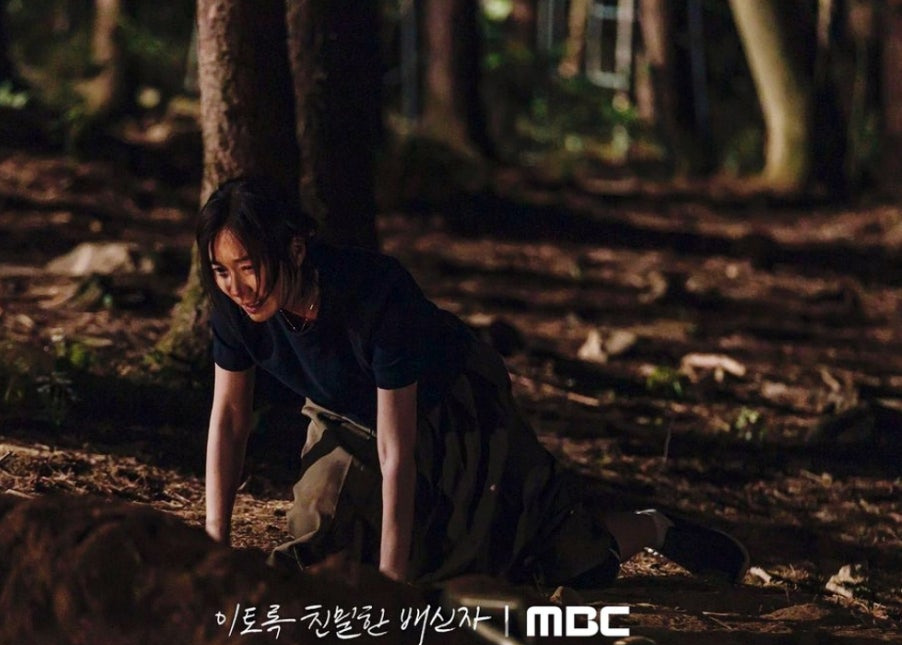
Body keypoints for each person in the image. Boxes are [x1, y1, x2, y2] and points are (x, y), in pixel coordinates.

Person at [200, 177, 748, 587]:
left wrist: (391, 588)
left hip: (452, 409)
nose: (238, 287)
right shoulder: (234, 306)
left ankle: (652, 527)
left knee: (558, 564)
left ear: (295, 250)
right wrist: (212, 547)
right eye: (222, 271)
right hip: (344, 415)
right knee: (322, 527)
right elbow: (228, 419)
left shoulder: (373, 294)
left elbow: (397, 448)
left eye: (248, 266)